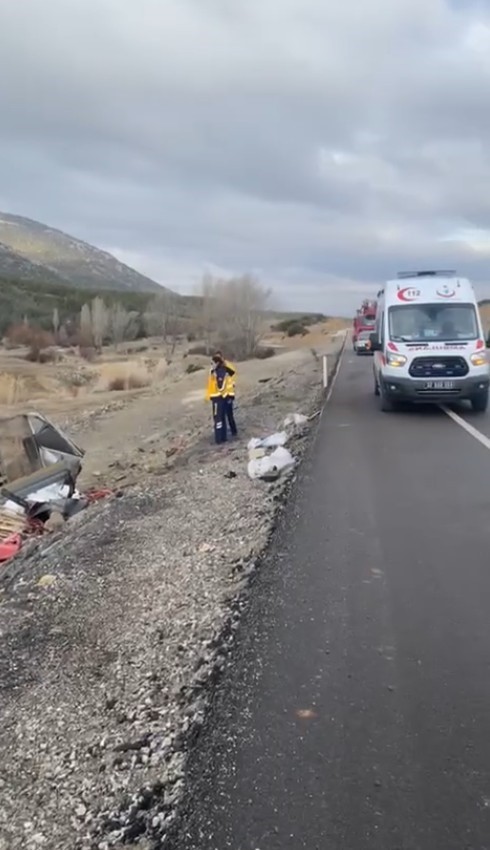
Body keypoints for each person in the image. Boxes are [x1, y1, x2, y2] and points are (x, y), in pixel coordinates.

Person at [205, 351, 237, 444]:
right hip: (222, 397)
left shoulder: (221, 371)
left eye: (213, 362)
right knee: (222, 417)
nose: (212, 364)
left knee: (220, 418)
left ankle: (220, 438)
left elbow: (221, 385)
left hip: (219, 397)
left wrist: (229, 396)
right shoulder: (215, 370)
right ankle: (223, 437)